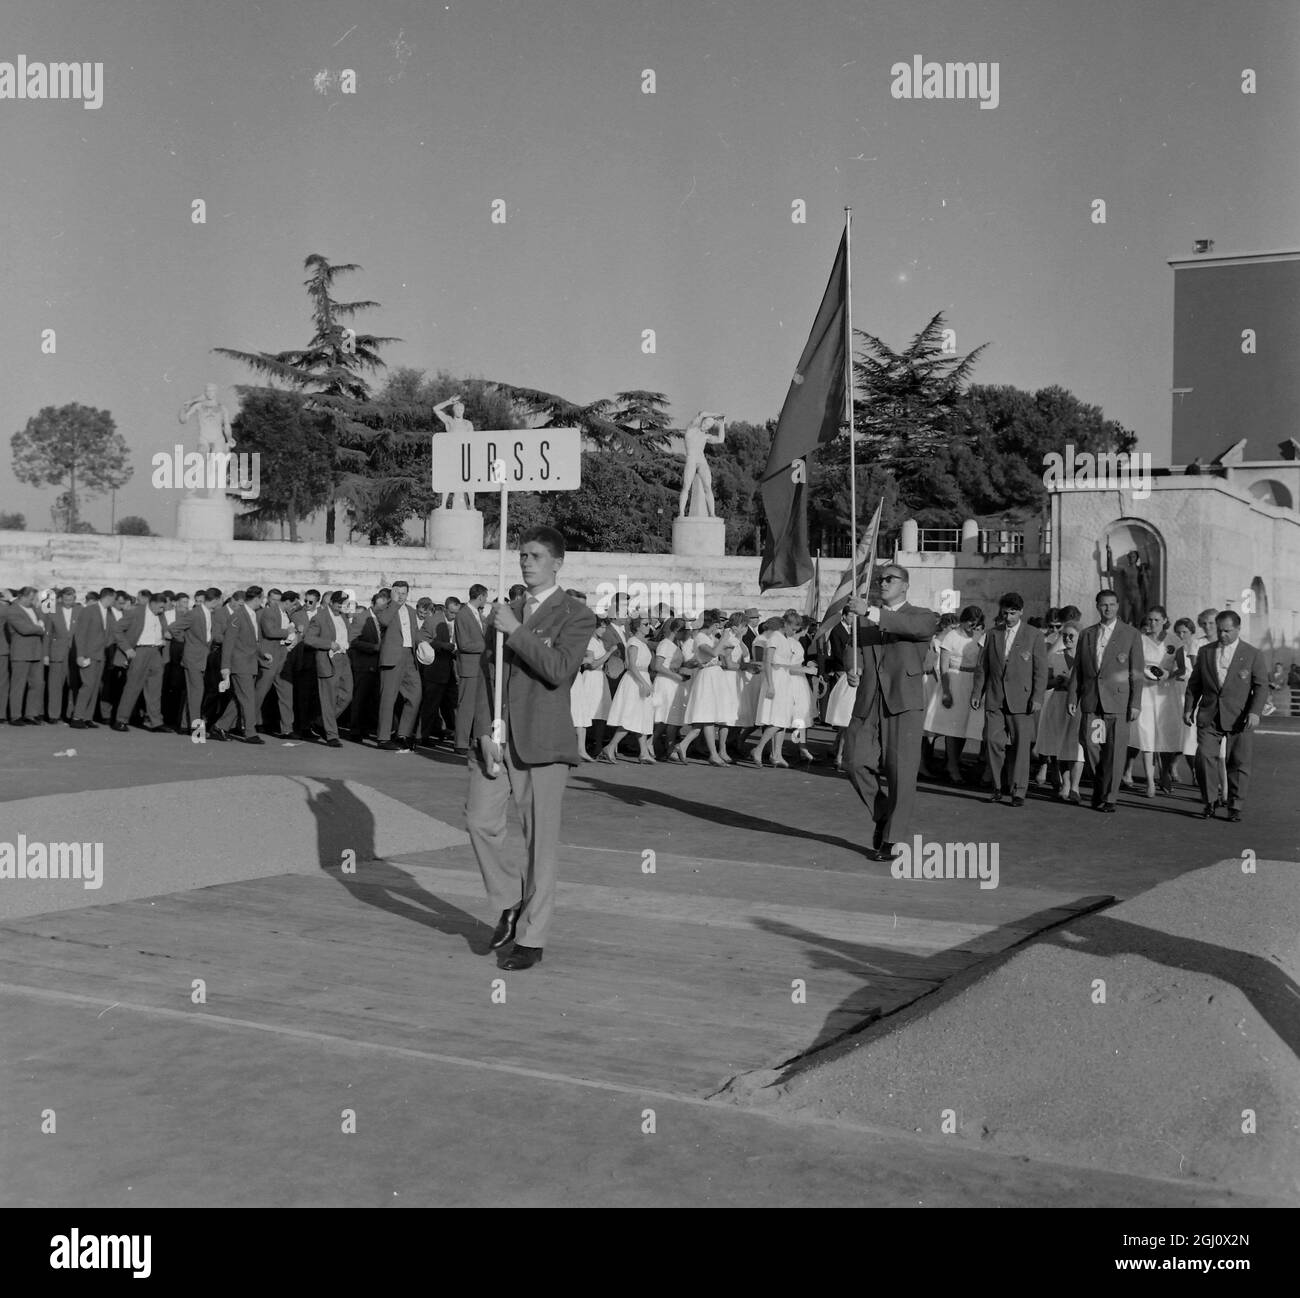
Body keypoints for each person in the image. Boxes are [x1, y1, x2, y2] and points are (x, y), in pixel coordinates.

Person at [466, 525, 598, 971]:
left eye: (536, 556)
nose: (526, 562)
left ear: (557, 562)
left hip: (542, 741)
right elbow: (488, 676)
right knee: (479, 822)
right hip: (498, 739)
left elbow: (559, 670)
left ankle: (532, 937)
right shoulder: (507, 610)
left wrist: (517, 631)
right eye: (523, 555)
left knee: (539, 844)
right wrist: (484, 731)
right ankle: (508, 900)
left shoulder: (575, 614)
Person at [843, 566, 938, 860]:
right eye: (880, 579)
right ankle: (883, 814)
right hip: (869, 700)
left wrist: (870, 612)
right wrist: (851, 667)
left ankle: (893, 839)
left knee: (901, 774)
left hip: (903, 702)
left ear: (905, 586)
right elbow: (852, 647)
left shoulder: (921, 615)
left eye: (889, 579)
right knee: (853, 761)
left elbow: (911, 629)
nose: (883, 583)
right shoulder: (866, 620)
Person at [1183, 610, 1268, 822]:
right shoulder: (1205, 652)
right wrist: (1188, 708)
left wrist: (1254, 712)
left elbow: (1261, 687)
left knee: (1238, 762)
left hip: (1240, 716)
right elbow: (1194, 684)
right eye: (1219, 630)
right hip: (1209, 714)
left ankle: (1235, 806)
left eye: (1227, 631)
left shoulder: (1252, 654)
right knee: (1203, 758)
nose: (1222, 635)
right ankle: (1210, 801)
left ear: (1238, 629)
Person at [1067, 589, 1143, 812]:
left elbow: (1136, 672)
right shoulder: (1088, 634)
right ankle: (1102, 784)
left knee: (1115, 750)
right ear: (1097, 606)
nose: (1107, 608)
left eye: (1111, 604)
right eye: (1103, 605)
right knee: (1091, 744)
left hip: (1118, 703)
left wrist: (1135, 703)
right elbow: (1078, 670)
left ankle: (1109, 797)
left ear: (1118, 606)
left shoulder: (1130, 634)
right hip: (1092, 701)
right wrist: (1073, 696)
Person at [972, 592, 1048, 806]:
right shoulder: (992, 634)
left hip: (1022, 700)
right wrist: (977, 693)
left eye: (1013, 613)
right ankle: (997, 786)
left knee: (1022, 747)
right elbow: (982, 667)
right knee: (993, 741)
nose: (1008, 617)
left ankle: (1019, 791)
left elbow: (1040, 671)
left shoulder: (1034, 635)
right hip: (995, 697)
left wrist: (1037, 696)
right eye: (1005, 613)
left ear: (1021, 612)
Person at [923, 605, 984, 784]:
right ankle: (952, 766)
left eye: (976, 624)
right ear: (963, 620)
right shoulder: (951, 636)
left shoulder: (977, 636)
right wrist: (947, 691)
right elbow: (944, 666)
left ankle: (953, 762)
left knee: (964, 726)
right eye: (970, 623)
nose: (972, 627)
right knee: (952, 727)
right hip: (954, 680)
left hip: (971, 681)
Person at [674, 609, 733, 765]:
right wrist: (723, 640)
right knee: (707, 717)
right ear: (712, 624)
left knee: (707, 718)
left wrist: (727, 647)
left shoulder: (709, 636)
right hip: (708, 676)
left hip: (715, 675)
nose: (718, 628)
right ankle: (713, 754)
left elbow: (720, 654)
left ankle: (682, 746)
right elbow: (712, 653)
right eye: (717, 625)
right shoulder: (700, 637)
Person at [376, 580, 427, 752]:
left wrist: (423, 643)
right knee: (388, 698)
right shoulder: (384, 608)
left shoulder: (412, 611)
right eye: (397, 592)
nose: (401, 595)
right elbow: (383, 621)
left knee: (415, 694)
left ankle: (403, 734)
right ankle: (383, 738)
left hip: (409, 657)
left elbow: (415, 633)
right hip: (392, 657)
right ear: (392, 592)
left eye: (404, 593)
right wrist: (394, 603)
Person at [111, 591, 173, 733]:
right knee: (132, 687)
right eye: (161, 607)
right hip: (140, 651)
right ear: (152, 603)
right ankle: (121, 720)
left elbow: (164, 629)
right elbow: (117, 629)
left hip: (156, 652)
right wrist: (127, 649)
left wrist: (165, 635)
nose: (163, 610)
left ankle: (156, 722)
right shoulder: (135, 612)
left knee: (155, 689)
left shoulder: (160, 614)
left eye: (164, 608)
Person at [1038, 620, 1085, 802]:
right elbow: (1045, 682)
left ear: (1080, 637)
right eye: (1064, 635)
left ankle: (1075, 786)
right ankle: (1065, 783)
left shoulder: (1086, 657)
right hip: (1058, 702)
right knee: (1060, 745)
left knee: (1077, 746)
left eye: (1071, 635)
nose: (1067, 638)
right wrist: (1056, 682)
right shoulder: (1055, 657)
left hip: (1078, 704)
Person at [600, 616, 656, 762]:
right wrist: (643, 683)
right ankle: (610, 747)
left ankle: (643, 752)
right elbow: (631, 665)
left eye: (648, 624)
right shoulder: (633, 642)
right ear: (637, 627)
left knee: (642, 716)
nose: (648, 626)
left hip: (642, 678)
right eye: (645, 624)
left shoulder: (643, 643)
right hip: (634, 681)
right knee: (630, 716)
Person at [215, 586, 267, 742]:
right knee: (248, 698)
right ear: (257, 598)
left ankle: (220, 726)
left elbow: (252, 641)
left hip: (249, 663)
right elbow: (228, 644)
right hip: (240, 664)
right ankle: (250, 732)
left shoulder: (252, 615)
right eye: (262, 598)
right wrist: (225, 668)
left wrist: (262, 654)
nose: (262, 601)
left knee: (239, 699)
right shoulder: (238, 616)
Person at [304, 590, 356, 747]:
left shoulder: (343, 617)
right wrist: (329, 644)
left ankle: (321, 722)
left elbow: (348, 635)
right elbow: (309, 639)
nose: (341, 606)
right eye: (339, 603)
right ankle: (332, 734)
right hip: (328, 659)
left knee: (347, 695)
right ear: (331, 602)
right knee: (328, 699)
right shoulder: (319, 618)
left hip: (343, 659)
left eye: (344, 603)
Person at [69, 588, 117, 729]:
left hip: (100, 655)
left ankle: (87, 717)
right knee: (88, 685)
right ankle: (77, 717)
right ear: (108, 597)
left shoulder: (109, 612)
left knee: (95, 687)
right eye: (113, 599)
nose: (114, 602)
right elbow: (80, 634)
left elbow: (110, 633)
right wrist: (80, 655)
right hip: (88, 654)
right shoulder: (89, 610)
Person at [453, 584, 489, 754]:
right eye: (485, 597)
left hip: (479, 667)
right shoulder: (463, 614)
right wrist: (485, 646)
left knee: (477, 707)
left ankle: (473, 740)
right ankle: (460, 742)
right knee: (466, 706)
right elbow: (464, 643)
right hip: (469, 667)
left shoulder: (477, 615)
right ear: (481, 596)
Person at [572, 617, 613, 761]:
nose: (604, 630)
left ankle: (597, 746)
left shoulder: (600, 642)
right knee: (586, 713)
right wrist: (609, 653)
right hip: (590, 678)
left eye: (605, 627)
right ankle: (581, 746)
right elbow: (592, 664)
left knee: (601, 715)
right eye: (601, 627)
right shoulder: (589, 641)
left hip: (600, 678)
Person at [5, 588, 47, 724]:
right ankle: (15, 715)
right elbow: (24, 629)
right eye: (30, 598)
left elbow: (41, 620)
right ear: (22, 597)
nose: (33, 601)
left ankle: (31, 714)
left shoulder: (34, 609)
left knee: (37, 684)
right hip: (21, 652)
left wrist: (38, 625)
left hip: (36, 651)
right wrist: (40, 628)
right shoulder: (12, 610)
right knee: (18, 685)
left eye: (34, 598)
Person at [42, 586, 79, 723]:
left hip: (74, 653)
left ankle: (70, 714)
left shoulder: (80, 610)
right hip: (57, 653)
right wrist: (45, 654)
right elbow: (47, 635)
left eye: (71, 599)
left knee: (73, 685)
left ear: (75, 598)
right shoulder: (52, 611)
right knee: (55, 685)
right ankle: (53, 715)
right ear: (61, 598)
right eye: (66, 599)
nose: (68, 602)